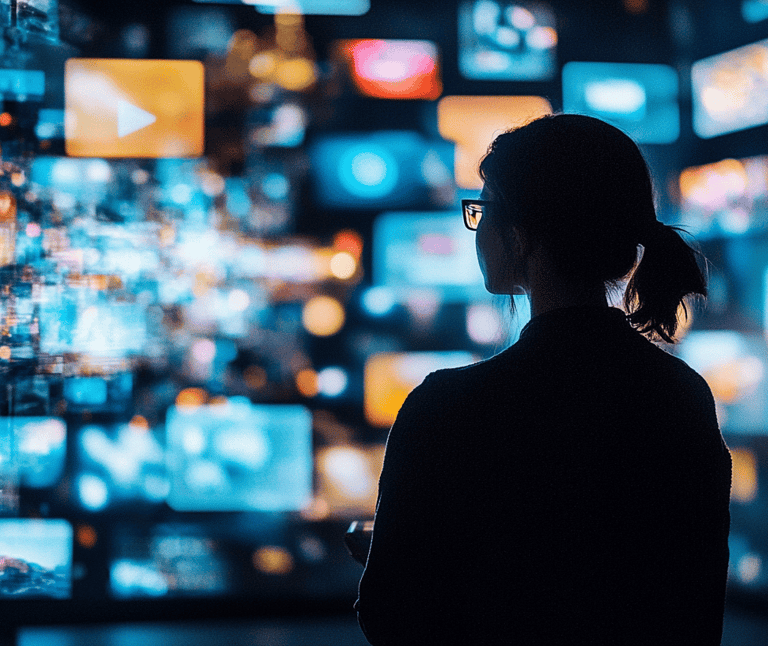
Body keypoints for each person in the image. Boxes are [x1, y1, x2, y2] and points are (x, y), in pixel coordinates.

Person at [355, 114, 732, 645]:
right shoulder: (681, 396)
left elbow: (391, 614)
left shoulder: (447, 408)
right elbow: (693, 607)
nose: (478, 225)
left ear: (520, 236)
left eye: (483, 208)